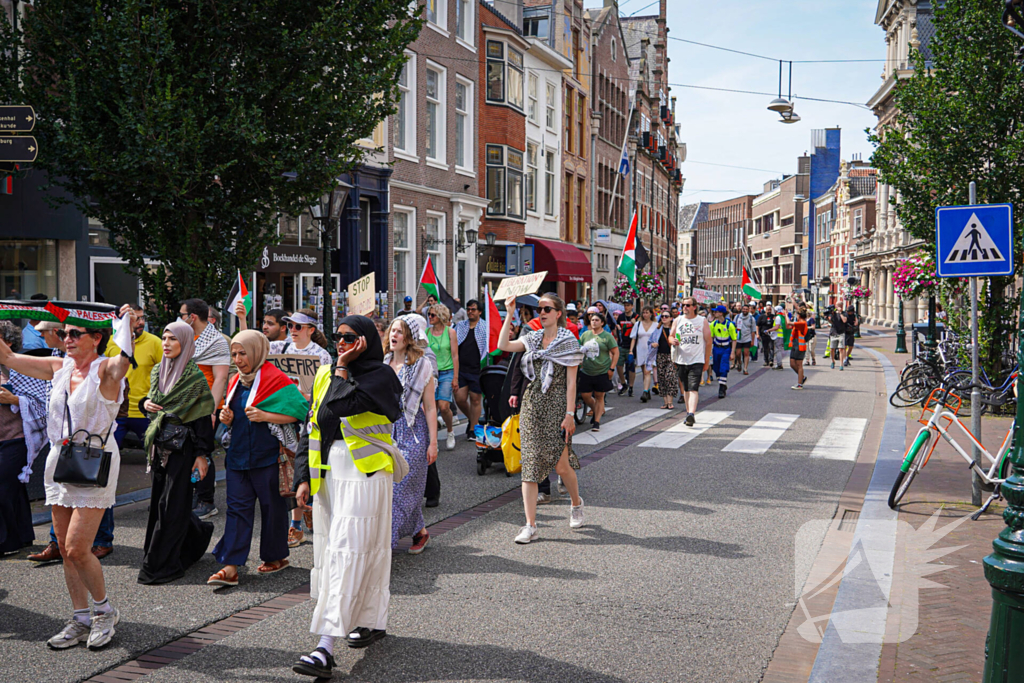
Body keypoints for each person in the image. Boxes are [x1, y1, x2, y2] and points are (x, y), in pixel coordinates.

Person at [0, 305, 133, 650]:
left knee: (77, 547)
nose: (66, 339)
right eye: (64, 333)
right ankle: (80, 618)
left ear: (96, 338)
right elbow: (10, 358)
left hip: (94, 461)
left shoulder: (105, 370)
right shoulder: (59, 367)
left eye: (75, 334)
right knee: (63, 548)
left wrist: (126, 325)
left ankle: (105, 612)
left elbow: (123, 363)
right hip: (61, 461)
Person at [291, 316, 403, 677]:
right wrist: (304, 476)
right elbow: (314, 425)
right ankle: (369, 618)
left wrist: (340, 366)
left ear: (367, 341)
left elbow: (340, 405)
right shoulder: (326, 374)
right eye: (337, 337)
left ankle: (325, 646)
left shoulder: (382, 377)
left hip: (365, 476)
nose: (341, 342)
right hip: (330, 477)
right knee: (345, 552)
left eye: (349, 337)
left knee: (348, 552)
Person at [207, 331, 308, 587]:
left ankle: (276, 557)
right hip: (238, 456)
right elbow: (232, 415)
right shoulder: (234, 381)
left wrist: (266, 416)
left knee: (272, 509)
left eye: (243, 353)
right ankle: (230, 566)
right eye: (234, 354)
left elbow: (300, 413)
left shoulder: (277, 379)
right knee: (237, 510)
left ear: (257, 352)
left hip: (269, 457)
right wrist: (225, 418)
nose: (239, 359)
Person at [497, 293, 585, 545]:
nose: (542, 312)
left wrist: (570, 415)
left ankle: (576, 504)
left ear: (558, 313)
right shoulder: (533, 338)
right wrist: (510, 312)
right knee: (530, 465)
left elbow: (571, 384)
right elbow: (504, 345)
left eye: (547, 308)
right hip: (532, 404)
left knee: (561, 466)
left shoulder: (568, 342)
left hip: (558, 405)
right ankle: (530, 525)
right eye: (539, 309)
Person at [137, 321, 216, 584]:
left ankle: (161, 566)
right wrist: (144, 403)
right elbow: (153, 402)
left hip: (184, 448)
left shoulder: (194, 378)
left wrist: (203, 454)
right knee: (163, 502)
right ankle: (197, 536)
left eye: (173, 339)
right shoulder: (159, 370)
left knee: (172, 505)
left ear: (186, 343)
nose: (167, 343)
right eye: (164, 337)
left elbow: (203, 417)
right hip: (160, 446)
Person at [385, 318, 437, 554]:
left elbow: (431, 406)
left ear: (408, 338)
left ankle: (385, 546)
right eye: (392, 330)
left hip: (413, 433)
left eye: (399, 331)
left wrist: (433, 443)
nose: (394, 335)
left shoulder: (422, 365)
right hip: (387, 432)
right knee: (390, 489)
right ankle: (420, 532)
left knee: (401, 489)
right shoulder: (384, 363)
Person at [180, 299, 230, 520]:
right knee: (188, 452)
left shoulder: (216, 341)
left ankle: (206, 500)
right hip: (185, 406)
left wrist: (211, 411)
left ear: (192, 317)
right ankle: (191, 495)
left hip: (205, 407)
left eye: (181, 314)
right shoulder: (184, 338)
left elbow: (220, 378)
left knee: (203, 453)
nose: (178, 318)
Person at [0, 321, 42, 556]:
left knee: (3, 489)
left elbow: (43, 403)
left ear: (8, 342)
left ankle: (5, 542)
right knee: (14, 490)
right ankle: (22, 536)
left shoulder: (24, 367)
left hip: (17, 438)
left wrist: (15, 400)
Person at [105, 304, 163, 453]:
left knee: (157, 455)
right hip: (116, 411)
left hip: (144, 411)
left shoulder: (155, 343)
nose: (141, 322)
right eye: (136, 319)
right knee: (108, 456)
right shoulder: (111, 342)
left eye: (142, 318)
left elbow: (166, 375)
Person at [669, 298, 711, 427]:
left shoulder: (702, 321)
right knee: (686, 388)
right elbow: (670, 336)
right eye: (683, 305)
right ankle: (688, 413)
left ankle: (691, 413)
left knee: (693, 387)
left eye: (687, 305)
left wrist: (706, 360)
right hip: (681, 359)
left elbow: (708, 342)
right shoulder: (678, 320)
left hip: (697, 359)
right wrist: (672, 341)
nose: (684, 307)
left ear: (694, 307)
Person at [427, 303, 459, 453]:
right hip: (431, 373)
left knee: (444, 406)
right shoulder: (427, 332)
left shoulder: (450, 332)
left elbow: (455, 355)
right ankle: (433, 440)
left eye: (432, 315)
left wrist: (456, 378)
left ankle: (450, 431)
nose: (430, 317)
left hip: (447, 372)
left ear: (440, 316)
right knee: (431, 407)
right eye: (429, 314)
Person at [578, 312, 618, 431]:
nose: (594, 322)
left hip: (602, 370)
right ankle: (597, 410)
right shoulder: (585, 334)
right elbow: (579, 348)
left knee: (600, 396)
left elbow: (616, 353)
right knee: (585, 395)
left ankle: (596, 421)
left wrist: (612, 368)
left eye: (596, 320)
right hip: (586, 370)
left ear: (602, 323)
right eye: (592, 320)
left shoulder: (607, 336)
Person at [453, 300, 485, 441]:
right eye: (469, 309)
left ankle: (472, 429)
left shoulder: (485, 326)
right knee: (459, 399)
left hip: (478, 369)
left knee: (475, 400)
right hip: (461, 368)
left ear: (480, 312)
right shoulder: (460, 326)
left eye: (473, 309)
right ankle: (473, 420)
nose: (470, 311)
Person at [629, 306, 660, 403]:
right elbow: (633, 338)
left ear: (651, 314)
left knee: (647, 371)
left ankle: (645, 392)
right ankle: (647, 389)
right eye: (644, 312)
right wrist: (631, 350)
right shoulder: (638, 324)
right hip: (640, 350)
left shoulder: (656, 325)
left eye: (647, 312)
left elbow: (659, 337)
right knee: (644, 371)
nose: (645, 314)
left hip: (651, 351)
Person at [709, 306, 738, 399]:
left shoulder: (730, 325)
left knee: (723, 368)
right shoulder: (713, 324)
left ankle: (721, 389)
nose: (714, 313)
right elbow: (711, 338)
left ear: (721, 313)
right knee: (716, 368)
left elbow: (734, 339)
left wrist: (732, 352)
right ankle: (722, 382)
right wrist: (710, 351)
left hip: (726, 349)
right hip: (716, 349)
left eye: (716, 312)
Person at [614, 301, 638, 396]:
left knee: (631, 367)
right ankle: (624, 384)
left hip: (631, 345)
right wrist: (617, 329)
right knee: (619, 365)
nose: (626, 307)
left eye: (628, 305)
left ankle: (631, 386)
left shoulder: (636, 316)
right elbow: (616, 332)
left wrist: (635, 323)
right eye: (625, 305)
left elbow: (639, 329)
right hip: (621, 344)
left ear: (632, 306)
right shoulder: (621, 317)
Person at [655, 311, 676, 409]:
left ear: (671, 318)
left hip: (671, 356)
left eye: (666, 316)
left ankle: (670, 401)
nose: (664, 318)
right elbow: (651, 341)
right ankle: (665, 402)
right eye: (662, 316)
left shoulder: (674, 330)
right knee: (662, 378)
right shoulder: (658, 329)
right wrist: (652, 344)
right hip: (660, 355)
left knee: (669, 377)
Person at [734, 303, 757, 376]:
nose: (745, 310)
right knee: (737, 353)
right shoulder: (737, 317)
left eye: (746, 309)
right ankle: (739, 362)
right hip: (738, 338)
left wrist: (752, 341)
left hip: (747, 338)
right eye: (744, 309)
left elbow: (753, 331)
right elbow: (733, 327)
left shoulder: (751, 319)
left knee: (746, 353)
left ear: (748, 310)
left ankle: (745, 368)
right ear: (741, 309)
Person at [790, 310, 808, 390]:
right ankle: (802, 377)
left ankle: (800, 384)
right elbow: (788, 326)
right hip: (795, 344)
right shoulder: (798, 322)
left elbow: (788, 323)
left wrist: (786, 314)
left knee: (799, 364)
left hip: (800, 345)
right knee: (792, 363)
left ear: (799, 315)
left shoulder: (802, 323)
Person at [828, 305, 848, 370]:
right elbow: (830, 321)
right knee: (832, 349)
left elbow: (844, 321)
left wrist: (840, 313)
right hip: (833, 332)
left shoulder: (844, 313)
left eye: (839, 306)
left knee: (841, 349)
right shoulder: (832, 314)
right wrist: (828, 317)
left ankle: (841, 364)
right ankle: (832, 361)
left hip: (841, 333)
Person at [757, 303, 774, 368]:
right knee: (765, 348)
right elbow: (757, 325)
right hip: (763, 335)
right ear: (765, 310)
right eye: (767, 310)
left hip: (771, 335)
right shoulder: (761, 317)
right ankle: (766, 360)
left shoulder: (773, 316)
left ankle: (771, 360)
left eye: (770, 310)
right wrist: (757, 334)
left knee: (771, 347)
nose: (769, 311)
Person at [771, 305, 787, 370]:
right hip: (781, 336)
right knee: (779, 350)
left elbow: (777, 327)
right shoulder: (782, 316)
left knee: (778, 351)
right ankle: (779, 364)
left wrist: (769, 330)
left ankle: (779, 364)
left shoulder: (778, 317)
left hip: (778, 336)